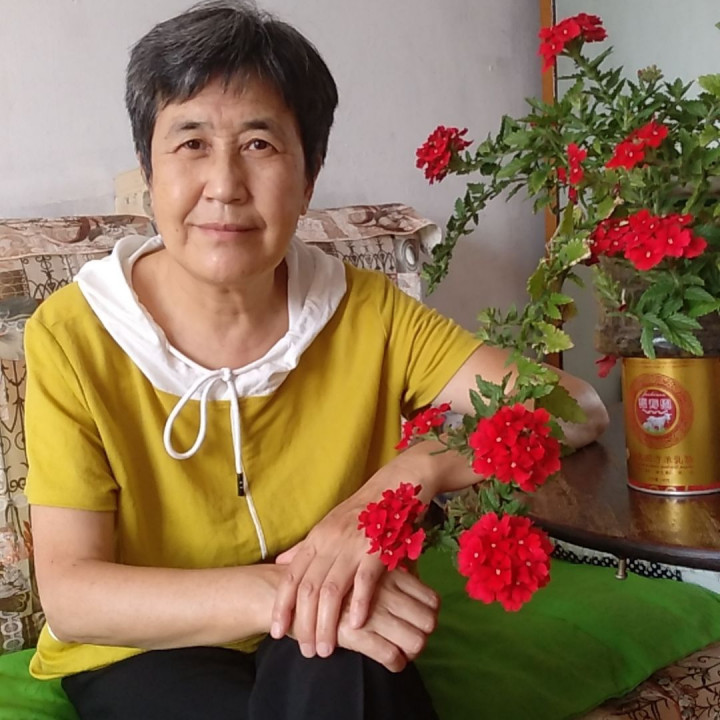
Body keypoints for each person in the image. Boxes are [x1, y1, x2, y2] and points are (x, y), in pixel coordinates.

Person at [23, 2, 609, 719]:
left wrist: (407, 477)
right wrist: (291, 590)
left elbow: (576, 409)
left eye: (260, 144)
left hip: (328, 637)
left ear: (309, 175)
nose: (225, 185)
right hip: (145, 647)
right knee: (339, 640)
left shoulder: (369, 313)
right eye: (191, 143)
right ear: (149, 169)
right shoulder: (75, 335)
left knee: (339, 659)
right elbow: (74, 595)